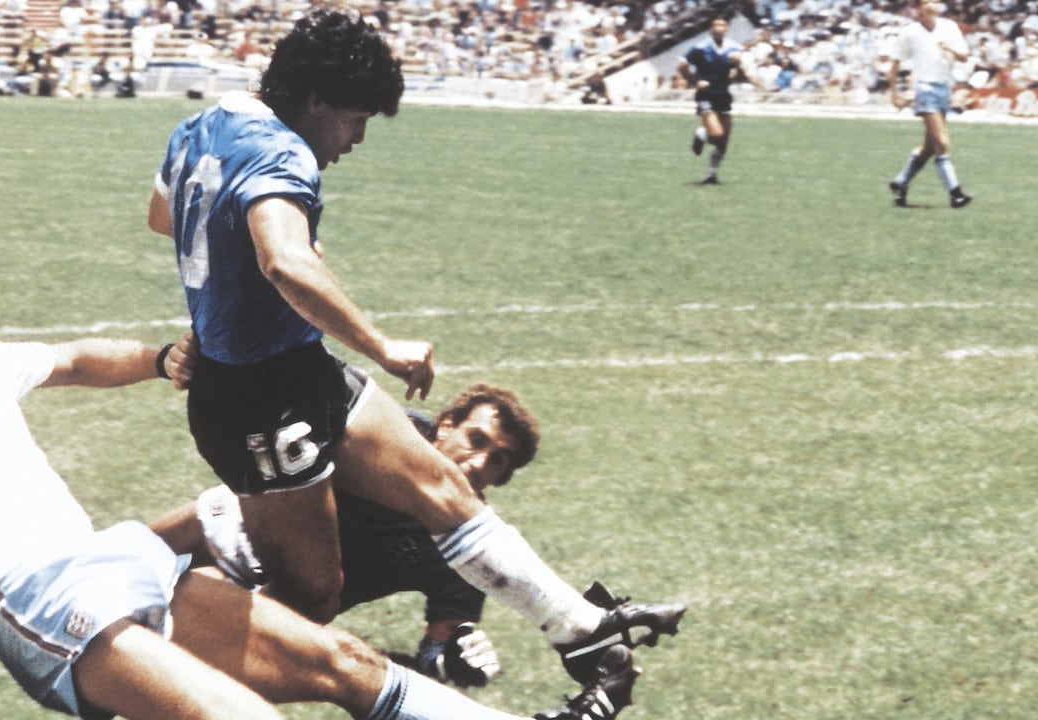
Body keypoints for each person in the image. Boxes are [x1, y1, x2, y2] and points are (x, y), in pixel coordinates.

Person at [0, 74, 638, 720]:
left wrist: (161, 357)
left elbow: (71, 359)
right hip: (44, 604)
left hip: (115, 562)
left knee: (344, 664)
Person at [146, 6, 686, 688]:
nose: (359, 138)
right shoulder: (284, 151)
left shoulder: (202, 128)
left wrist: (232, 275)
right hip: (260, 401)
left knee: (442, 485)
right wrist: (382, 346)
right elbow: (285, 262)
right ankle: (163, 679)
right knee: (312, 599)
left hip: (294, 368)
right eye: (357, 118)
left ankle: (579, 631)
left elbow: (164, 216)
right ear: (315, 100)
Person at [154, 380, 664, 689]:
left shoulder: (472, 552)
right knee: (105, 567)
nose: (480, 460)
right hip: (227, 523)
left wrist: (454, 662)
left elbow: (434, 648)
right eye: (476, 438)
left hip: (276, 602)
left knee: (161, 664)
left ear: (502, 478)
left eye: (498, 459)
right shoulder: (385, 433)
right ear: (444, 425)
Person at [887, 0, 973, 209]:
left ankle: (900, 183)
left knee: (928, 147)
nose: (933, 5)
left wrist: (949, 48)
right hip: (925, 89)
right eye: (928, 2)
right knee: (942, 143)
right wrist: (894, 93)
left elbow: (964, 56)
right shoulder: (910, 32)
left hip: (944, 88)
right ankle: (955, 193)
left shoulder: (949, 27)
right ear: (919, 7)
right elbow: (895, 62)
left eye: (936, 1)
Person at [676, 16, 758, 185]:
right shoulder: (700, 48)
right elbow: (682, 66)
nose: (719, 28)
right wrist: (694, 81)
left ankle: (711, 175)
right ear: (710, 29)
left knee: (724, 140)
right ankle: (701, 134)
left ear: (727, 28)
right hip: (706, 94)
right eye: (716, 25)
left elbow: (738, 75)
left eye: (723, 25)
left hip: (724, 95)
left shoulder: (734, 48)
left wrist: (737, 67)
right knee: (716, 133)